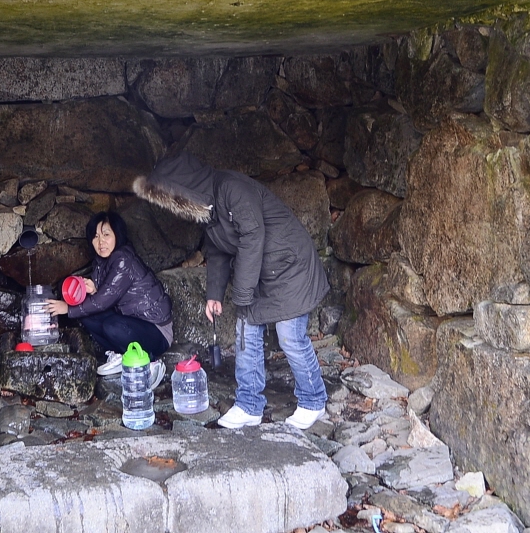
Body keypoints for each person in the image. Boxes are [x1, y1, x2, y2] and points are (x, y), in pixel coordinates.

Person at [134, 152, 329, 430]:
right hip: (262, 271)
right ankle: (249, 405)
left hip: (290, 267)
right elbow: (217, 250)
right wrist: (214, 294)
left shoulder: (231, 189)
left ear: (184, 187)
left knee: (290, 338)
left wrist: (241, 294)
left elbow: (253, 235)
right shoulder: (208, 207)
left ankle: (313, 400)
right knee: (245, 334)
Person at [47, 211, 172, 389]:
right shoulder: (101, 261)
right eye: (96, 236)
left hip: (156, 330)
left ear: (117, 236)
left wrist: (67, 308)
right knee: (86, 316)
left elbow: (104, 301)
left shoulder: (123, 259)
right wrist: (89, 290)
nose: (100, 242)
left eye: (106, 234)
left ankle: (151, 363)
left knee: (111, 326)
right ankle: (122, 355)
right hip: (129, 320)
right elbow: (104, 295)